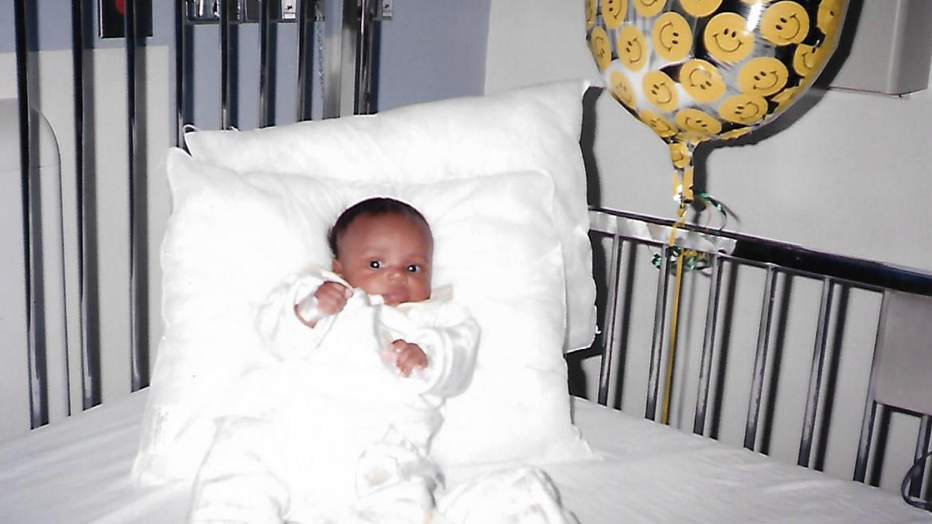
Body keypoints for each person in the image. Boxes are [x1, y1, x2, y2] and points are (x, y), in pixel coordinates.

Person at [188, 198, 481, 524]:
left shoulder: (439, 316)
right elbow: (276, 335)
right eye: (375, 265)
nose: (397, 277)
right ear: (339, 268)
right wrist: (312, 310)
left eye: (412, 268)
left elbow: (459, 356)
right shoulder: (314, 291)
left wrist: (428, 357)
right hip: (282, 431)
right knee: (238, 474)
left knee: (402, 501)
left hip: (378, 451)